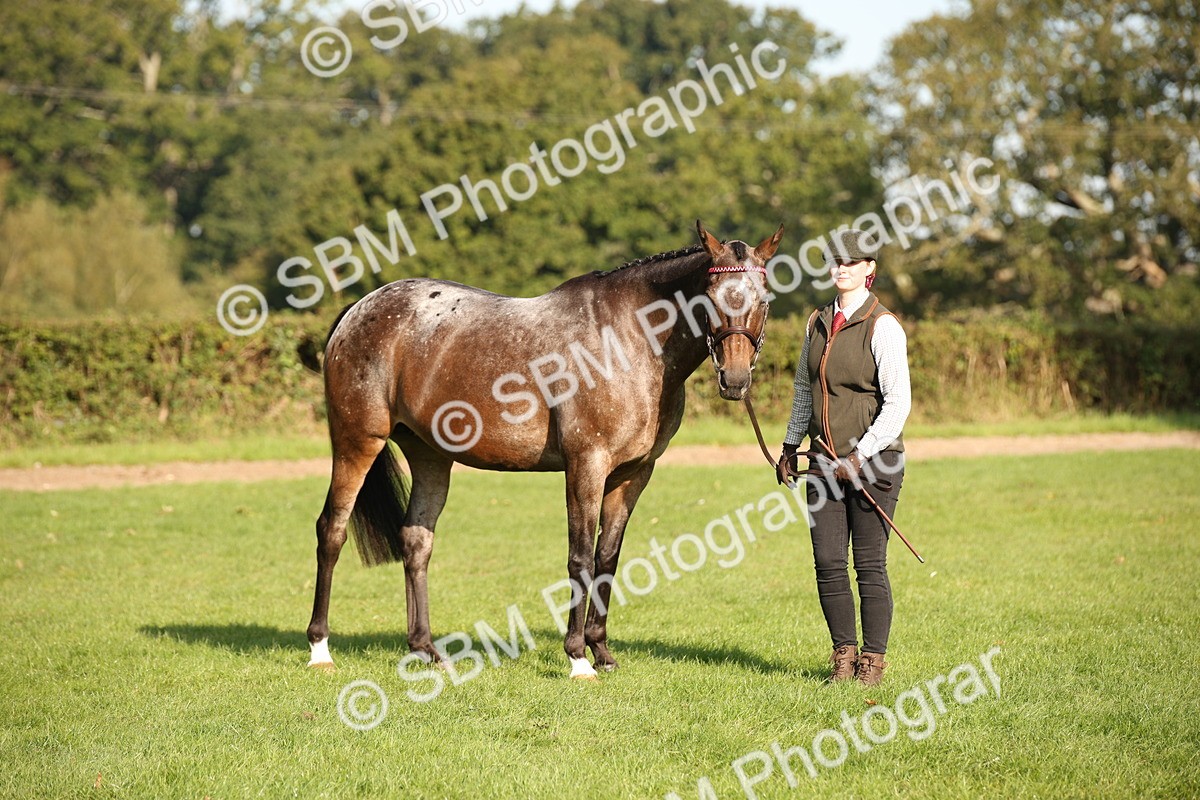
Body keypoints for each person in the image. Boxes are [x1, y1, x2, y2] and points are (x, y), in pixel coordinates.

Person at [775, 229, 912, 686]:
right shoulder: (817, 321)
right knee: (828, 563)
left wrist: (860, 455)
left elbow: (898, 404)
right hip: (822, 463)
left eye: (852, 262)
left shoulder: (883, 325)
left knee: (869, 564)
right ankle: (843, 657)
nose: (841, 269)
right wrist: (790, 445)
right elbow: (803, 390)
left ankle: (872, 662)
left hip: (876, 463)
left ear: (869, 269)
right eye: (836, 262)